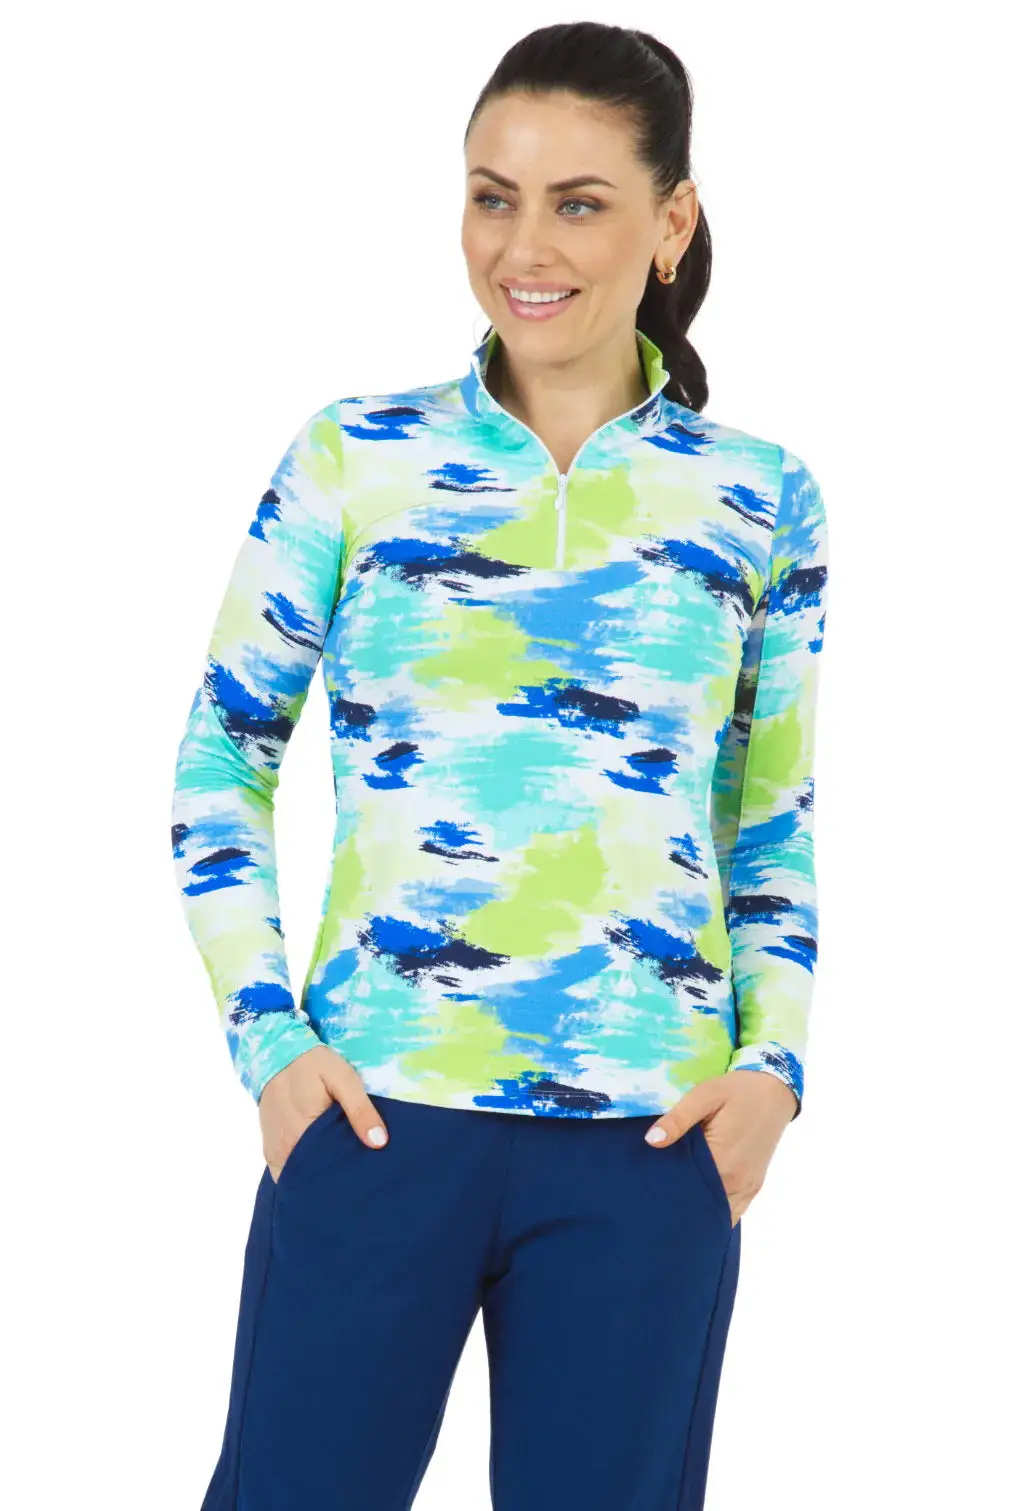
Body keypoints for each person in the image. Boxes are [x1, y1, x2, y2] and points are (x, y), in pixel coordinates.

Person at [170, 20, 829, 1510]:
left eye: (579, 203)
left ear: (672, 221)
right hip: (373, 1115)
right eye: (492, 197)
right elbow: (221, 762)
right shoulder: (356, 457)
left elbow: (769, 824)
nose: (524, 249)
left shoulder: (760, 497)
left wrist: (772, 1071)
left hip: (649, 1142)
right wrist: (270, 1044)